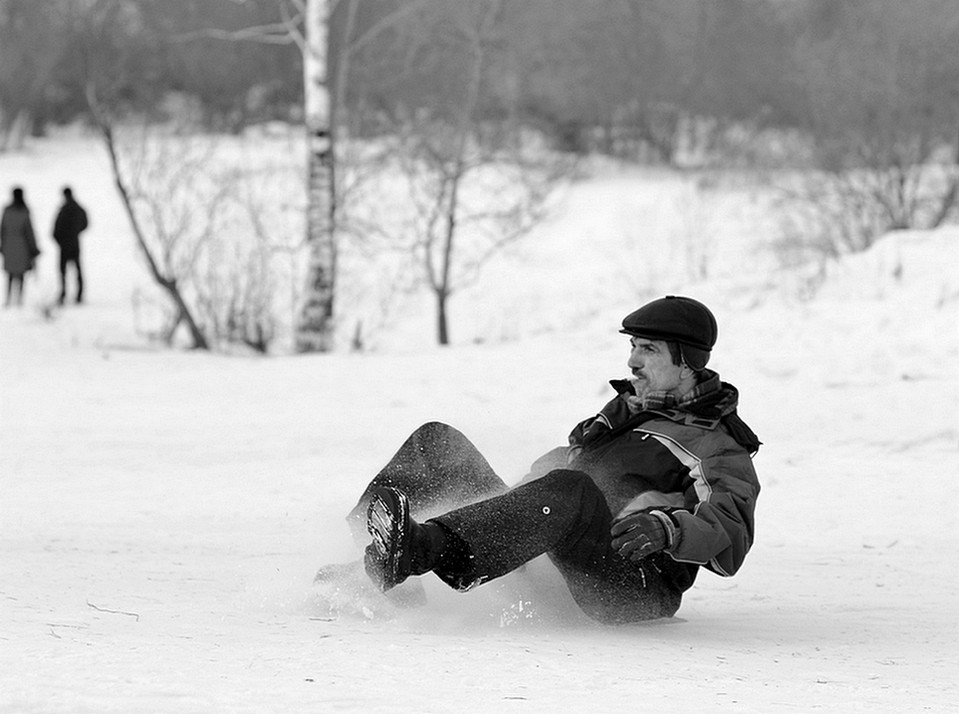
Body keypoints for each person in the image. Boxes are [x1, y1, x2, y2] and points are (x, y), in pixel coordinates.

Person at [345, 295, 761, 624]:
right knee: (435, 443)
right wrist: (509, 504)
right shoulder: (622, 419)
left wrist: (668, 528)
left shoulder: (717, 445)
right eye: (633, 347)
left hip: (630, 584)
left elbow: (731, 537)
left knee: (571, 488)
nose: (632, 361)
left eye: (648, 350)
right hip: (554, 559)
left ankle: (419, 551)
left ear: (686, 362)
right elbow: (556, 477)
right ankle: (371, 561)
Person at [0, 187, 40, 307]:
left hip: (8, 245)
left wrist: (3, 245)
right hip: (22, 246)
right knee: (20, 274)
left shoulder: (7, 211)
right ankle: (19, 300)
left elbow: (2, 230)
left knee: (10, 274)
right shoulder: (24, 211)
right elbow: (29, 232)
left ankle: (8, 299)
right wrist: (34, 248)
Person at [52, 186, 89, 305]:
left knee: (65, 270)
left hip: (66, 244)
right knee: (75, 270)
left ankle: (66, 293)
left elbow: (56, 228)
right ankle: (77, 294)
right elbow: (85, 223)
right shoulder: (77, 208)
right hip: (72, 243)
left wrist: (60, 238)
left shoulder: (65, 210)